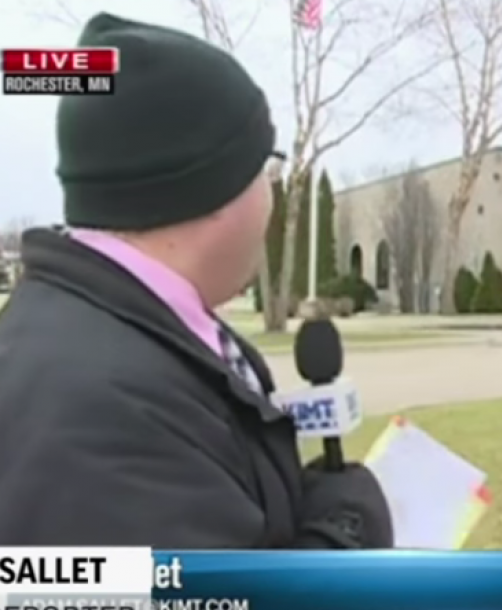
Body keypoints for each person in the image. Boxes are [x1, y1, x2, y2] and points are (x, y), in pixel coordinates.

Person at [0, 13, 393, 548]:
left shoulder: (122, 336)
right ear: (214, 189)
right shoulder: (102, 414)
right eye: (267, 169)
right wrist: (348, 535)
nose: (271, 195)